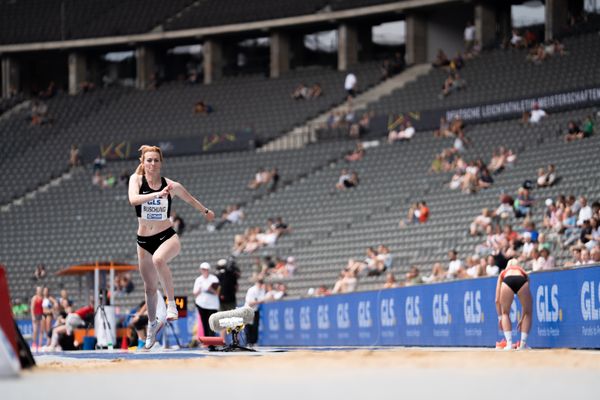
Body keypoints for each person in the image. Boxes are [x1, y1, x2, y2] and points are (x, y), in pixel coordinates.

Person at [128, 145, 215, 349]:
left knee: (159, 259)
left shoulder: (172, 186)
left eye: (156, 160)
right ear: (143, 162)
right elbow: (133, 200)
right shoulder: (136, 180)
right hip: (143, 241)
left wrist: (205, 211)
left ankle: (171, 304)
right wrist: (157, 195)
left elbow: (190, 199)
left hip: (167, 236)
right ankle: (152, 326)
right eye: (148, 160)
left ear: (161, 163)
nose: (152, 164)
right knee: (149, 289)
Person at [495, 259, 532, 350]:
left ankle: (509, 344)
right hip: (521, 280)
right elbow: (525, 308)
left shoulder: (503, 272)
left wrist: (500, 318)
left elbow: (496, 300)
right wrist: (522, 318)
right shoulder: (523, 272)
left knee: (505, 313)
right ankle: (523, 344)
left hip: (507, 280)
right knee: (528, 312)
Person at [193, 262, 220, 338]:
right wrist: (200, 289)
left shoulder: (214, 279)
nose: (205, 271)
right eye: (203, 269)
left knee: (211, 323)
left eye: (206, 269)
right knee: (204, 322)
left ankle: (211, 340)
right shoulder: (198, 280)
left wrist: (210, 289)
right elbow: (195, 293)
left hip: (212, 305)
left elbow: (217, 292)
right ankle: (206, 341)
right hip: (201, 304)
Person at [244, 279, 266, 347]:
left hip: (256, 310)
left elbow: (262, 300)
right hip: (248, 310)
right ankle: (248, 342)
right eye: (259, 283)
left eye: (261, 283)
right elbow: (250, 303)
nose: (260, 285)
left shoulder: (262, 290)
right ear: (256, 283)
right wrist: (258, 301)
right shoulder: (251, 290)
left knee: (255, 326)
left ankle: (254, 342)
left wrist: (257, 301)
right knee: (248, 327)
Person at [30, 286, 44, 351]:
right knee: (35, 330)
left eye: (40, 290)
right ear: (36, 291)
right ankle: (34, 343)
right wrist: (33, 316)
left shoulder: (43, 298)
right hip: (36, 315)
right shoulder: (34, 298)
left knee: (41, 330)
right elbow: (32, 308)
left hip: (41, 315)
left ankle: (40, 344)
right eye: (38, 290)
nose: (39, 291)